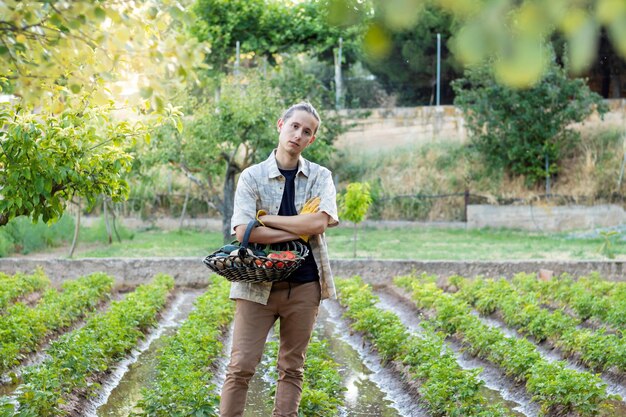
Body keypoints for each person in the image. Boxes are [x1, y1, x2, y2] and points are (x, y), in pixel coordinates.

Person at [219, 102, 339, 417]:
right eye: (294, 126)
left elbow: (318, 224)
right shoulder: (252, 176)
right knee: (240, 367)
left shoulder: (320, 176)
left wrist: (267, 221)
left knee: (292, 368)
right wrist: (294, 226)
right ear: (280, 124)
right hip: (256, 284)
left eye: (307, 132)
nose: (298, 135)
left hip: (304, 286)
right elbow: (244, 230)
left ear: (311, 139)